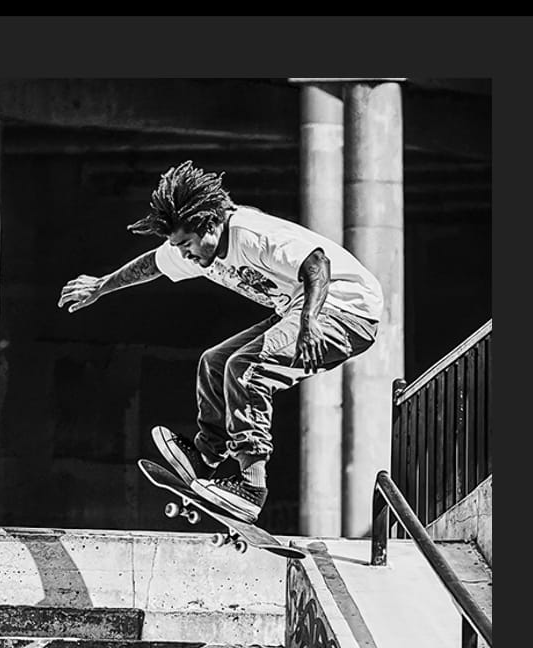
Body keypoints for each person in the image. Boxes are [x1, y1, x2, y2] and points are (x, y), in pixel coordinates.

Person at [58, 161, 382, 523]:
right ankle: (205, 458)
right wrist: (101, 286)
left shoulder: (250, 234)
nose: (185, 255)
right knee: (214, 362)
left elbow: (317, 263)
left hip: (346, 310)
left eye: (187, 245)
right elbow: (153, 264)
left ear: (210, 225)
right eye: (179, 247)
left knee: (246, 367)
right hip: (297, 308)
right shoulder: (197, 247)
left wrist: (308, 321)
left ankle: (252, 487)